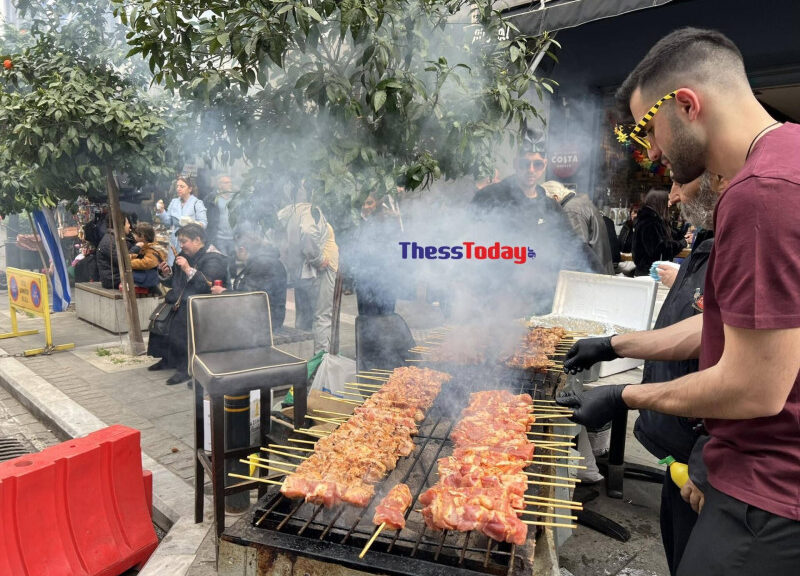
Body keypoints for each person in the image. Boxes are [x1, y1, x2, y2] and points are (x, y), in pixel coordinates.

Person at [558, 28, 800, 576]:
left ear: (687, 104)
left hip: (772, 492)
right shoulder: (789, 157)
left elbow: (754, 386)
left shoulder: (763, 191)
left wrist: (627, 396)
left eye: (646, 131)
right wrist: (613, 345)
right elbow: (727, 328)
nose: (649, 154)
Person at [631, 171, 724, 575]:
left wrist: (705, 465)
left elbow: (739, 370)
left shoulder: (749, 248)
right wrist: (616, 345)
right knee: (675, 551)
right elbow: (695, 331)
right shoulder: (707, 246)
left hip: (709, 466)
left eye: (678, 184)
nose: (670, 199)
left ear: (714, 180)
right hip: (678, 455)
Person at [147, 223, 227, 385]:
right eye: (180, 242)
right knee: (161, 319)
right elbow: (175, 282)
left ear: (197, 240)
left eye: (184, 241)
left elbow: (207, 285)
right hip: (182, 299)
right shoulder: (185, 255)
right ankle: (167, 359)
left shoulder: (214, 258)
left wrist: (188, 268)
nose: (181, 246)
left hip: (204, 305)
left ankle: (185, 368)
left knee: (180, 322)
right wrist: (167, 273)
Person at [277, 191, 339, 353]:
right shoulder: (309, 210)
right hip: (321, 270)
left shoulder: (289, 211)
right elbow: (308, 232)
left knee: (305, 316)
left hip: (303, 271)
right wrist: (317, 259)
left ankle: (306, 357)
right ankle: (321, 359)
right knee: (323, 316)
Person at [210, 224, 287, 330]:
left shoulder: (261, 265)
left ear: (242, 250)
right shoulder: (262, 261)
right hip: (267, 316)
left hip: (267, 321)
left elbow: (248, 298)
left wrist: (223, 292)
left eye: (236, 250)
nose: (235, 254)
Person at [541, 181, 615, 274]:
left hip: (590, 276)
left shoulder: (571, 211)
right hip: (599, 270)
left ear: (555, 198)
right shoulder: (578, 203)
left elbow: (576, 251)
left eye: (545, 204)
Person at [631, 188, 686, 276]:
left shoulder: (652, 220)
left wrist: (683, 237)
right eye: (666, 201)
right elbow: (660, 249)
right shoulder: (650, 222)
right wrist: (682, 243)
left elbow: (671, 234)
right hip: (649, 273)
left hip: (649, 271)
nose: (669, 204)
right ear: (660, 202)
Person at [156, 177, 208, 265]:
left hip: (190, 240)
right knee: (173, 266)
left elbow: (204, 224)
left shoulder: (197, 203)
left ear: (190, 189)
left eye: (182, 186)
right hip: (175, 240)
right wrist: (161, 211)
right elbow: (168, 222)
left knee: (187, 264)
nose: (178, 189)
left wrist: (192, 222)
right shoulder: (174, 202)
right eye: (177, 186)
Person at [96, 214, 132, 289]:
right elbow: (124, 261)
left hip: (117, 276)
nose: (129, 226)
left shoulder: (115, 238)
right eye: (127, 223)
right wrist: (137, 248)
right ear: (120, 225)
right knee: (145, 276)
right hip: (113, 279)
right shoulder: (110, 241)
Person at [129, 222, 167, 290]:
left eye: (136, 235)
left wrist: (130, 263)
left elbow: (147, 262)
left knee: (130, 274)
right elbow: (140, 256)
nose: (134, 236)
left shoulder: (154, 249)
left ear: (143, 237)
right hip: (149, 275)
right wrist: (131, 256)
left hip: (151, 278)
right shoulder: (147, 246)